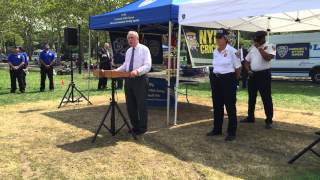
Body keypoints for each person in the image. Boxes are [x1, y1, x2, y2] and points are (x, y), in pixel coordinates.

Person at [206, 29, 241, 141]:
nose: (217, 40)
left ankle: (231, 132)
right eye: (216, 37)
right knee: (217, 105)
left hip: (228, 79)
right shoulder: (215, 51)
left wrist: (234, 81)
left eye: (220, 37)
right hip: (216, 79)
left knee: (230, 106)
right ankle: (217, 129)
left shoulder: (232, 51)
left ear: (225, 39)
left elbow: (238, 68)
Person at [115, 31, 152, 135]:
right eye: (128, 38)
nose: (130, 40)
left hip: (140, 79)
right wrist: (115, 71)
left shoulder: (145, 49)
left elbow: (148, 65)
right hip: (128, 80)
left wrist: (137, 71)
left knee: (141, 105)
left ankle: (142, 128)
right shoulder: (128, 51)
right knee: (130, 105)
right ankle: (135, 127)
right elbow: (125, 66)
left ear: (137, 38)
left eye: (131, 38)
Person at [241, 31, 276, 129]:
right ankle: (250, 117)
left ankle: (269, 120)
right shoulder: (252, 48)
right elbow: (246, 61)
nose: (256, 41)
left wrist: (259, 49)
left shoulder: (270, 46)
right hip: (253, 75)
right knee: (251, 97)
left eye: (257, 40)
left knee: (266, 98)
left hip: (264, 75)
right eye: (255, 40)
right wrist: (248, 70)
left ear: (263, 38)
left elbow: (268, 58)